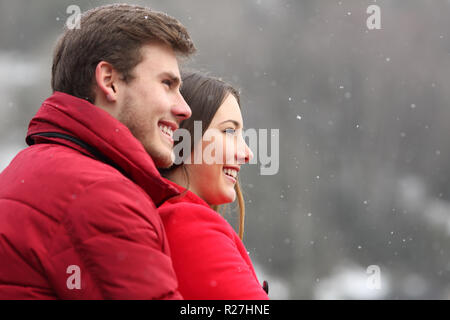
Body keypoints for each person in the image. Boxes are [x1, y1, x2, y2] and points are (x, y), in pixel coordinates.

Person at [0, 4, 196, 299]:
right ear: (110, 82)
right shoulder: (101, 196)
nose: (185, 109)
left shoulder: (28, 168)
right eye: (167, 83)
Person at [159, 71, 270, 299]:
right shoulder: (189, 225)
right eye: (229, 131)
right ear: (181, 135)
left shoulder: (165, 217)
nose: (247, 153)